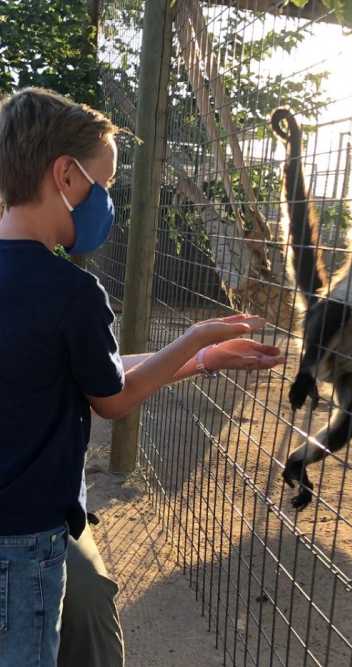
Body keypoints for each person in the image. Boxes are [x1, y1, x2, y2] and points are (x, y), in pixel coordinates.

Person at [0, 87, 284, 667]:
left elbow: (68, 375)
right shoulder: (71, 291)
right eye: (103, 186)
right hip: (29, 536)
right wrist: (196, 337)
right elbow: (110, 398)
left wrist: (199, 362)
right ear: (66, 176)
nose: (106, 202)